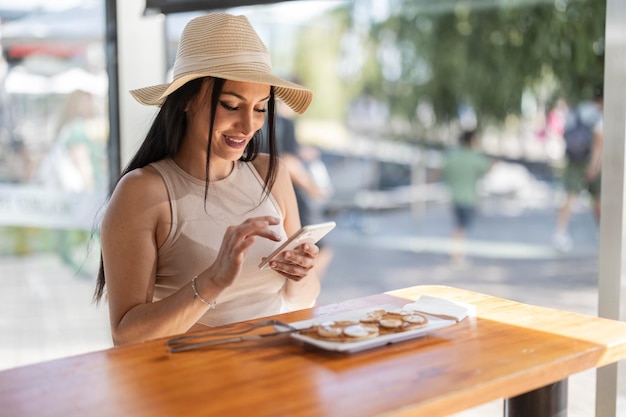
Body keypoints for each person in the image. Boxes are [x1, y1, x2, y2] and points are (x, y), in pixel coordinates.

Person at [93, 13, 320, 346]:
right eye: (231, 105)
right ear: (186, 98)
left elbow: (301, 302)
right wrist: (213, 281)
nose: (249, 126)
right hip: (194, 382)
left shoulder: (271, 174)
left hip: (274, 368)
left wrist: (301, 275)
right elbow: (127, 335)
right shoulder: (144, 192)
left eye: (260, 108)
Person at [267, 100, 334, 279]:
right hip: (293, 196)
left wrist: (302, 152)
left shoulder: (267, 122)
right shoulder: (285, 123)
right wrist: (314, 189)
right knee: (320, 249)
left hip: (270, 195)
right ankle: (308, 292)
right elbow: (288, 161)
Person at [553, 86, 603, 252]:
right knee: (597, 198)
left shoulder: (581, 108)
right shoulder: (599, 114)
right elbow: (598, 141)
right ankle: (603, 233)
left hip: (574, 158)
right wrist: (594, 165)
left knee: (570, 196)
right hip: (589, 159)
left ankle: (560, 234)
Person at [442, 129, 492, 266]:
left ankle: (456, 253)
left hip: (454, 196)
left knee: (458, 226)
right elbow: (486, 168)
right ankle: (457, 255)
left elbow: (444, 170)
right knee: (461, 228)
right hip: (468, 197)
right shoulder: (474, 157)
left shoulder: (453, 156)